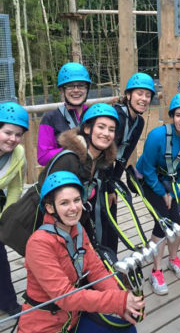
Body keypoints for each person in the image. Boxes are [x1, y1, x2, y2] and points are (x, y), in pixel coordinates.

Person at [18, 171, 144, 333]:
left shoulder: (78, 230)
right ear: (50, 207)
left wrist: (123, 307)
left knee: (127, 330)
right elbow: (65, 296)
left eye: (77, 200)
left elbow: (97, 271)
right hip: (44, 325)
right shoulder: (39, 244)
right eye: (64, 203)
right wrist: (119, 300)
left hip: (73, 319)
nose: (73, 208)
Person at [19, 102, 120, 253]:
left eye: (111, 130)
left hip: (69, 219)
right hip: (43, 225)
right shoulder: (69, 159)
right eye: (101, 127)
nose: (106, 133)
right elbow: (50, 201)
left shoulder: (97, 160)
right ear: (87, 129)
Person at [136, 93, 180, 295]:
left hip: (173, 181)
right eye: (178, 115)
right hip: (149, 179)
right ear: (172, 117)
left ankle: (173, 258)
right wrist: (160, 192)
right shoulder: (157, 136)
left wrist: (174, 192)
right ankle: (156, 270)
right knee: (163, 221)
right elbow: (147, 167)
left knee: (177, 220)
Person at [0, 102, 29, 316]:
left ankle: (8, 302)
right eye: (7, 132)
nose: (13, 138)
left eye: (18, 134)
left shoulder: (18, 153)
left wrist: (4, 219)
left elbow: (16, 186)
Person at [37, 62, 91, 166]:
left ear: (87, 89)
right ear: (62, 90)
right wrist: (73, 148)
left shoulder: (93, 115)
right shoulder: (51, 118)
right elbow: (43, 158)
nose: (76, 90)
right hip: (65, 174)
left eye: (81, 85)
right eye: (70, 86)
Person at [113, 72, 155, 180]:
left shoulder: (139, 122)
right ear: (128, 95)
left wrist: (115, 181)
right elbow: (104, 154)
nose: (144, 98)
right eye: (139, 94)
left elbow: (125, 155)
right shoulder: (117, 117)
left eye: (148, 95)